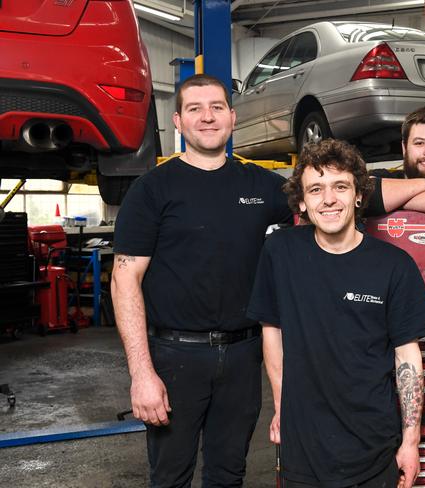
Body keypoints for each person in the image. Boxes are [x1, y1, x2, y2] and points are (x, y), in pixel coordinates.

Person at [111, 74, 294, 487]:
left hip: (244, 356)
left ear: (232, 117)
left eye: (216, 108)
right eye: (195, 109)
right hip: (175, 357)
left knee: (229, 473)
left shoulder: (261, 185)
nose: (207, 118)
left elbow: (326, 196)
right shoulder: (152, 189)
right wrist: (142, 374)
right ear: (178, 121)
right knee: (171, 476)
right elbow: (125, 281)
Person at [246, 139, 425, 488]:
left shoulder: (394, 266)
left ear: (359, 195)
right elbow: (271, 329)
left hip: (373, 446)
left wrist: (411, 442)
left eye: (340, 186)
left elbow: (407, 355)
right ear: (302, 202)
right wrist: (281, 405)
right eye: (316, 189)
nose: (329, 199)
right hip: (303, 446)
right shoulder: (280, 253)